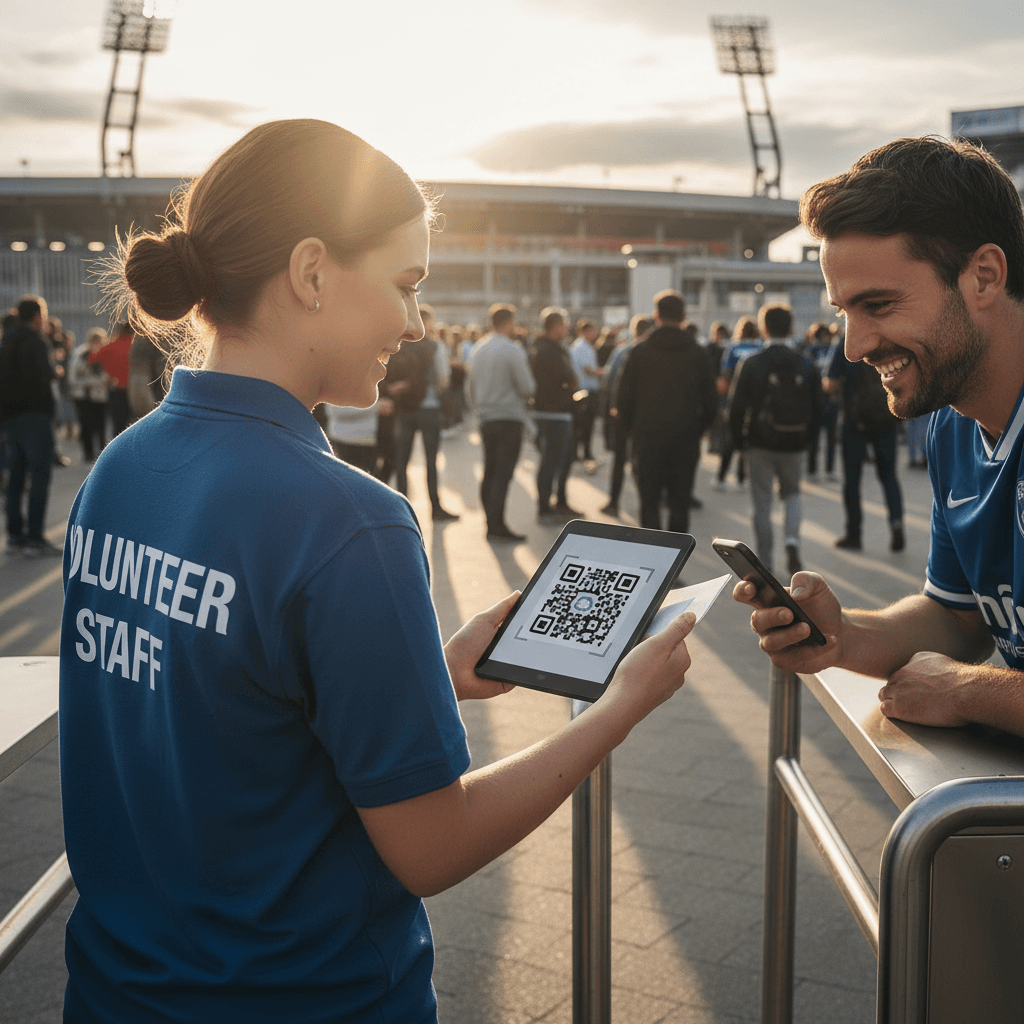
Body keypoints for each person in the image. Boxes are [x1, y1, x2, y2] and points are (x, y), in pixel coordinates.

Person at [58, 119, 697, 1024]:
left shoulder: (122, 466)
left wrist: (425, 674)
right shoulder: (349, 519)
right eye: (405, 284)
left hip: (120, 990)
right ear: (312, 272)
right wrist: (621, 705)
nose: (414, 321)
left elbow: (218, 712)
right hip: (305, 998)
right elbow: (431, 847)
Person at [735, 134, 1024, 738]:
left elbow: (962, 666)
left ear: (985, 276)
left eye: (880, 305)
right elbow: (956, 618)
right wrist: (840, 635)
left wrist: (970, 691)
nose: (854, 346)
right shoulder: (952, 427)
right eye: (844, 311)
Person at [728, 303, 821, 574]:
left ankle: (765, 560)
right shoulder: (806, 363)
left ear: (763, 327)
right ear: (791, 328)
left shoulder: (752, 363)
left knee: (762, 502)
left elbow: (735, 408)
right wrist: (809, 441)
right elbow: (819, 408)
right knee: (792, 495)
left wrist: (740, 442)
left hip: (760, 443)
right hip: (794, 444)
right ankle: (792, 543)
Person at [616, 290, 716, 535]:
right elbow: (711, 402)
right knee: (679, 504)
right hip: (685, 438)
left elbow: (623, 400)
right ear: (683, 316)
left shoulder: (638, 352)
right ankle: (676, 563)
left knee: (649, 503)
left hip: (647, 437)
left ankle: (654, 564)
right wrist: (697, 430)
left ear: (656, 315)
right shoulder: (697, 352)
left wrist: (632, 431)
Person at [826, 336, 905, 551]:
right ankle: (897, 525)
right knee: (889, 477)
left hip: (854, 422)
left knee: (852, 482)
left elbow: (831, 382)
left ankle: (854, 534)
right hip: (885, 419)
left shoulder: (846, 341)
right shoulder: (888, 336)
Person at [466, 302, 535, 541]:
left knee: (490, 469)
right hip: (508, 417)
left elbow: (470, 387)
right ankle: (497, 526)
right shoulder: (512, 349)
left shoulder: (477, 348)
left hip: (486, 417)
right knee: (503, 474)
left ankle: (490, 522)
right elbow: (527, 387)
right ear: (509, 323)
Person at [0, 295, 62, 556]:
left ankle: (15, 535)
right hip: (35, 416)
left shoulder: (4, 342)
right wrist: (56, 370)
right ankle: (35, 538)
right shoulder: (36, 341)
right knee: (39, 476)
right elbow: (45, 374)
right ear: (37, 316)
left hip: (9, 418)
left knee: (14, 476)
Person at [386, 303, 459, 521]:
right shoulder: (435, 346)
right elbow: (443, 378)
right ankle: (435, 508)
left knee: (402, 461)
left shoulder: (399, 344)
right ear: (430, 322)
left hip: (404, 408)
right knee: (430, 461)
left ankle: (400, 509)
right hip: (429, 409)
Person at [529, 306, 581, 523]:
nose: (567, 328)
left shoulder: (535, 348)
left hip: (543, 413)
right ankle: (547, 507)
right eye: (565, 324)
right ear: (557, 326)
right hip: (556, 415)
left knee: (551, 461)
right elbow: (570, 379)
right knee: (554, 462)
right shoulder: (553, 351)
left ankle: (554, 503)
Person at [601, 314, 653, 517]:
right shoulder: (654, 354)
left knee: (620, 460)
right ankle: (646, 504)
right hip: (645, 417)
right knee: (642, 462)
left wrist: (612, 409)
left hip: (623, 415)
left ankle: (614, 502)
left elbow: (610, 381)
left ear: (634, 331)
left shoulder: (622, 351)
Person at [715, 316, 761, 490]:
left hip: (735, 399)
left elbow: (724, 377)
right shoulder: (759, 347)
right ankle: (742, 479)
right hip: (755, 401)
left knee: (731, 439)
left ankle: (721, 477)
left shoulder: (733, 348)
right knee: (747, 440)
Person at [67, 328, 110, 463]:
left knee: (101, 427)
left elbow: (107, 377)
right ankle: (88, 453)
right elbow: (72, 379)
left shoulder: (105, 354)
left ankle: (102, 455)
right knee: (86, 426)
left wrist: (93, 382)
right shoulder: (79, 355)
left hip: (100, 396)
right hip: (82, 397)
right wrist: (93, 382)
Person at [803, 322, 839, 480]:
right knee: (830, 438)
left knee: (814, 438)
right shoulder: (834, 349)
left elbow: (805, 376)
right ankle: (829, 470)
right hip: (831, 399)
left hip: (814, 400)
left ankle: (812, 471)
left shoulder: (810, 350)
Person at [569, 318, 603, 471]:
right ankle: (583, 453)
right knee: (584, 424)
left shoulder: (585, 346)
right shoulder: (581, 347)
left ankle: (581, 453)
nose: (595, 334)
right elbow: (587, 369)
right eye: (592, 331)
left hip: (585, 391)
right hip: (585, 391)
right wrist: (603, 372)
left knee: (583, 424)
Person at [89, 322, 134, 436]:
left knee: (118, 426)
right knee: (135, 425)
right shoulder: (135, 345)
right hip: (134, 390)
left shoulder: (109, 344)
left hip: (115, 389)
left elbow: (92, 358)